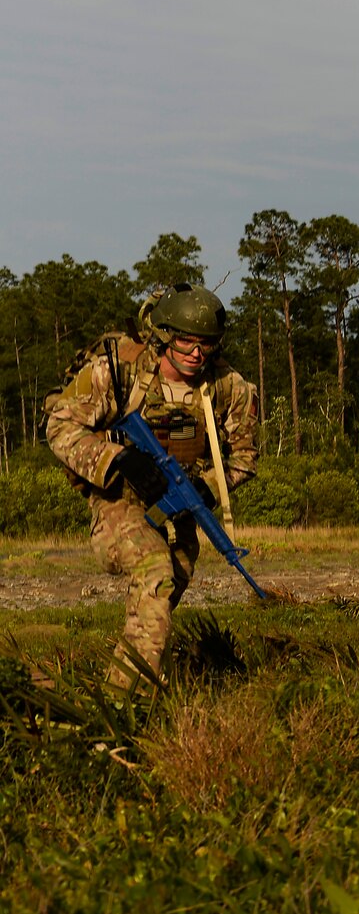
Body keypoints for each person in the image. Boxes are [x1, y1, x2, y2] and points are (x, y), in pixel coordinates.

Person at [44, 284, 260, 691]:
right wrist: (117, 459)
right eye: (186, 341)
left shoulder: (229, 386)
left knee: (165, 586)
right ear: (163, 335)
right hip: (118, 501)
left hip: (179, 505)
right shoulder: (119, 370)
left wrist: (211, 487)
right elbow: (59, 426)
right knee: (156, 570)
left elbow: (245, 456)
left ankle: (118, 683)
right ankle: (129, 698)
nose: (197, 354)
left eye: (207, 345)